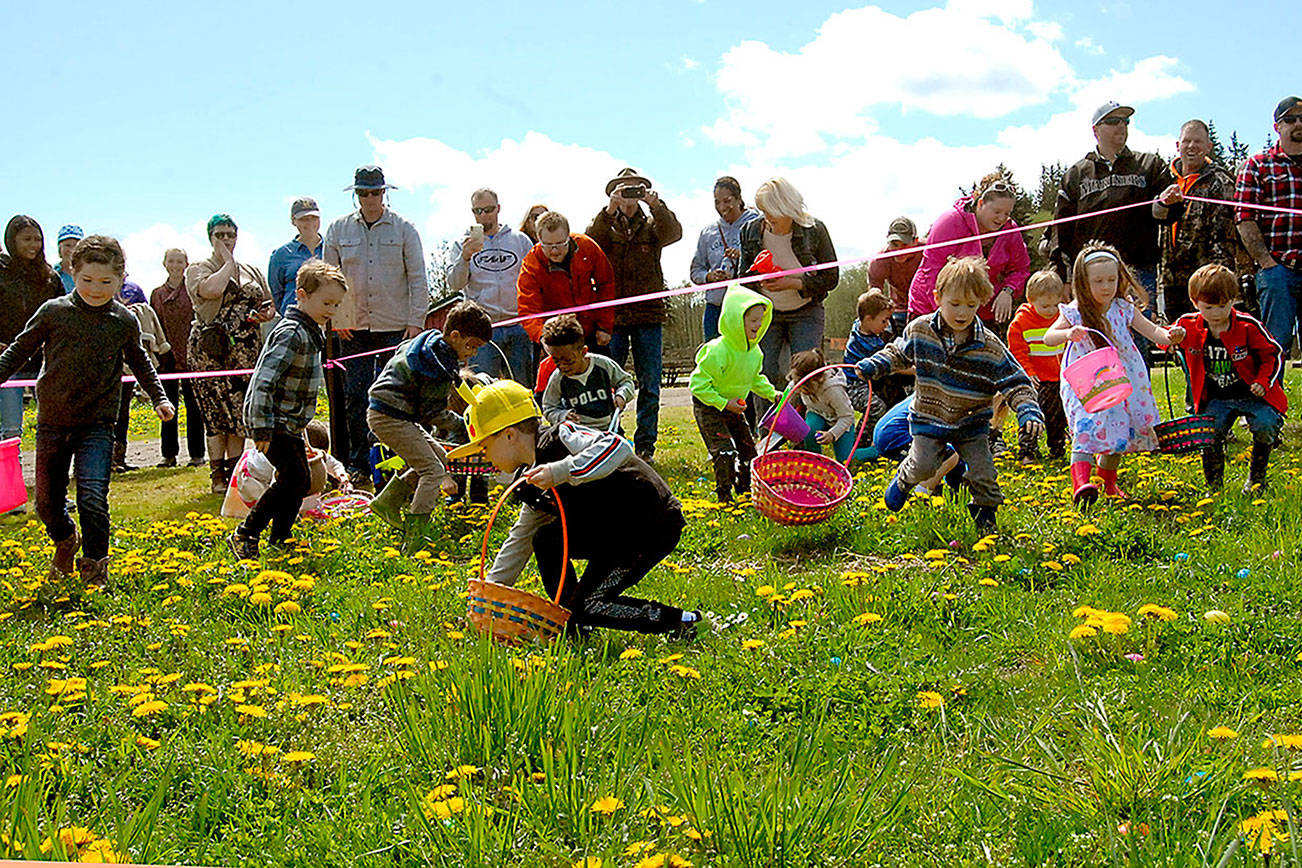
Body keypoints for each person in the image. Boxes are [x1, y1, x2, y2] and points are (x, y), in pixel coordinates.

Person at [450, 379, 699, 638]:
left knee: (591, 604)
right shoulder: (530, 481)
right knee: (545, 539)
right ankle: (574, 619)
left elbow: (617, 446)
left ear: (509, 435)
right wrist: (489, 596)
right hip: (613, 533)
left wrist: (562, 470)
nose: (486, 456)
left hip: (649, 525)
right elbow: (521, 537)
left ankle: (684, 621)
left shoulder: (562, 437)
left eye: (485, 447)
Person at [0, 236, 173, 589]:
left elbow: (140, 361)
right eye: (87, 281)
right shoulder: (54, 312)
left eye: (106, 282)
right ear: (72, 272)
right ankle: (65, 539)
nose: (96, 289)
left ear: (121, 279)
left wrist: (159, 397)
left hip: (98, 424)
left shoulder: (123, 319)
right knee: (47, 504)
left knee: (92, 497)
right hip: (52, 422)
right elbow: (19, 351)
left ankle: (95, 567)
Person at [856, 257, 1044, 532]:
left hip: (971, 424)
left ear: (981, 302)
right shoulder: (920, 330)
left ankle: (985, 517)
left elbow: (1015, 380)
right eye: (955, 304)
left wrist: (1027, 408)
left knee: (985, 475)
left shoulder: (989, 346)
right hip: (929, 419)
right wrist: (875, 365)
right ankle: (904, 480)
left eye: (971, 305)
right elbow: (897, 353)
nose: (962, 312)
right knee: (923, 465)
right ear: (938, 297)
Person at [1041, 244, 1184, 505]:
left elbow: (1153, 332)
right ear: (1083, 283)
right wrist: (1067, 334)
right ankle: (1081, 484)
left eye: (1111, 279)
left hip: (1121, 378)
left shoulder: (1123, 308)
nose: (1106, 286)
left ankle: (1108, 483)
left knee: (1119, 431)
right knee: (1084, 428)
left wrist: (1170, 335)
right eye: (1098, 281)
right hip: (1086, 381)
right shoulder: (1075, 311)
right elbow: (1049, 337)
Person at [228, 260, 347, 560]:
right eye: (326, 303)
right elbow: (263, 381)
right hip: (272, 421)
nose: (331, 311)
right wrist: (262, 428)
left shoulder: (310, 332)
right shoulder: (292, 332)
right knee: (294, 478)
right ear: (302, 295)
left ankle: (280, 537)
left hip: (290, 424)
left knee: (300, 479)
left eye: (336, 304)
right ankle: (246, 533)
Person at [324, 165, 430, 487]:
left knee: (394, 398)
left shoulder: (404, 229)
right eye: (363, 193)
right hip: (352, 328)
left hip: (395, 327)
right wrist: (335, 318)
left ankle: (396, 462)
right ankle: (358, 463)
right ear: (356, 195)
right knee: (355, 396)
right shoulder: (337, 229)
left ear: (385, 193)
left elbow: (418, 278)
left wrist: (415, 323)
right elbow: (328, 277)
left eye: (375, 192)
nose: (369, 198)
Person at [366, 301, 492, 554]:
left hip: (394, 414)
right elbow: (433, 414)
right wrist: (466, 425)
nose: (473, 354)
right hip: (390, 417)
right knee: (433, 471)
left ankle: (388, 501)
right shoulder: (436, 366)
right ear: (455, 336)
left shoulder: (431, 344)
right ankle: (414, 538)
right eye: (472, 346)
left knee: (441, 458)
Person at [586, 168, 682, 462]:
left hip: (648, 315)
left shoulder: (653, 224)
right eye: (623, 189)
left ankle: (645, 447)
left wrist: (658, 206)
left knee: (650, 382)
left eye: (636, 189)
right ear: (613, 193)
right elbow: (589, 244)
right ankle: (612, 440)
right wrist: (608, 210)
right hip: (612, 316)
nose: (630, 195)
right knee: (607, 382)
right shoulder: (605, 223)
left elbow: (674, 234)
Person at [1169, 264, 1286, 492]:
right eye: (1208, 307)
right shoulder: (1188, 324)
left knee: (1265, 424)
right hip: (1215, 397)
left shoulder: (1248, 326)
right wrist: (1171, 339)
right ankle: (1214, 486)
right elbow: (1166, 338)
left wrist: (1263, 381)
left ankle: (1257, 478)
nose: (1216, 314)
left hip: (1251, 394)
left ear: (1233, 300)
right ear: (1195, 303)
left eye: (1222, 306)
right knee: (1209, 435)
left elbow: (1272, 354)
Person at [185, 214, 275, 495]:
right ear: (210, 237)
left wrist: (264, 315)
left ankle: (235, 472)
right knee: (216, 414)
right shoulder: (199, 268)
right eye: (219, 235)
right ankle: (216, 474)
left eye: (230, 235)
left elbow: (268, 303)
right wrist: (227, 263)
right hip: (211, 351)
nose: (226, 240)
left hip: (245, 351)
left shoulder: (252, 269)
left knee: (238, 414)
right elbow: (211, 290)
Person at [737, 177, 838, 417]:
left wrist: (792, 282)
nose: (767, 218)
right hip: (767, 313)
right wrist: (759, 282)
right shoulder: (750, 231)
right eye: (763, 211)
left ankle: (807, 429)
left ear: (787, 209)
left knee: (807, 373)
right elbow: (743, 279)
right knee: (764, 370)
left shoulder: (814, 230)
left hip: (806, 312)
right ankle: (768, 432)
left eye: (771, 211)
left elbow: (831, 277)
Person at [1049, 102, 1171, 293]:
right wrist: (1063, 275)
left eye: (1125, 121)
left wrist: (1166, 202)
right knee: (1091, 324)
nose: (1121, 126)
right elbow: (1061, 230)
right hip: (1090, 272)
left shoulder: (1149, 165)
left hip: (1137, 271)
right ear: (1096, 130)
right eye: (1113, 121)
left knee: (1138, 323)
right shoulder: (1076, 173)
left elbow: (1169, 216)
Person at [908, 172, 1030, 339]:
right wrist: (946, 312)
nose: (1002, 218)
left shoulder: (1010, 230)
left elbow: (1021, 268)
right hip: (931, 307)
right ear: (980, 204)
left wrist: (1008, 291)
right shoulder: (950, 221)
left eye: (1007, 213)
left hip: (979, 312)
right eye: (997, 211)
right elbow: (932, 270)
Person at [688, 285, 779, 502]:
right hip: (709, 406)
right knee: (725, 451)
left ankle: (745, 491)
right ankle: (724, 496)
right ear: (736, 319)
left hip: (734, 407)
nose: (758, 325)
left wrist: (772, 394)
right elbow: (697, 385)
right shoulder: (718, 351)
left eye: (761, 320)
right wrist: (723, 403)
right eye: (753, 320)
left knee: (748, 450)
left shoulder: (755, 352)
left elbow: (755, 378)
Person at [1152, 120, 1241, 322]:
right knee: (1178, 335)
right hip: (1171, 279)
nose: (1191, 146)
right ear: (1178, 146)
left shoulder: (1221, 181)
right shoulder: (1165, 180)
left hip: (1206, 278)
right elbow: (1156, 218)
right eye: (1186, 141)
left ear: (1208, 147)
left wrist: (1220, 279)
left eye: (1198, 142)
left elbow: (1225, 237)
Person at [1235, 96, 1302, 355]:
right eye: (1290, 119)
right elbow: (1244, 218)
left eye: (1301, 119)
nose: (1298, 124)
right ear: (1277, 126)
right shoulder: (1257, 165)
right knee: (1274, 346)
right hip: (1277, 271)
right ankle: (1270, 395)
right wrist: (1266, 262)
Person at [448, 188, 535, 386]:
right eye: (478, 211)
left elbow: (535, 281)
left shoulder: (519, 240)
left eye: (488, 210)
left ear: (498, 209)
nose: (483, 216)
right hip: (482, 329)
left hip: (518, 325)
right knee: (483, 389)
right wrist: (465, 257)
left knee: (523, 388)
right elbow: (454, 284)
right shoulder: (461, 244)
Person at [0, 216, 62, 444]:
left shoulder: (49, 277)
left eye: (37, 239)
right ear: (11, 240)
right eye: (26, 239)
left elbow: (63, 315)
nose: (33, 245)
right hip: (8, 363)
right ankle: (10, 479)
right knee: (10, 430)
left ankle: (53, 476)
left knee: (54, 423)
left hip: (44, 363)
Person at [516, 211, 615, 348]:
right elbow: (528, 309)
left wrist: (605, 326)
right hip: (555, 337)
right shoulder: (532, 265)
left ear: (568, 236)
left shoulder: (586, 247)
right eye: (548, 245)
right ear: (539, 240)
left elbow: (606, 284)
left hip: (591, 331)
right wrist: (543, 337)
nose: (555, 251)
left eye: (560, 244)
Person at [150, 248, 205, 467]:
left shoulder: (192, 290)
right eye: (171, 261)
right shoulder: (157, 294)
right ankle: (169, 454)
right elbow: (153, 325)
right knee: (167, 406)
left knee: (194, 407)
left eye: (179, 261)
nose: (175, 265)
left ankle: (197, 454)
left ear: (186, 264)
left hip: (191, 356)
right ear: (165, 263)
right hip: (166, 358)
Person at [1006, 270, 1068, 463]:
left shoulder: (1063, 318)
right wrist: (1028, 373)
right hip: (1036, 380)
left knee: (1057, 416)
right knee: (1032, 414)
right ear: (1031, 300)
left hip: (1059, 378)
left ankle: (1057, 448)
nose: (1050, 310)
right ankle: (1027, 449)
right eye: (1044, 305)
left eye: (1055, 305)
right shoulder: (1021, 322)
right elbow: (1017, 352)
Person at [690, 176, 761, 340]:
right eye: (717, 202)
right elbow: (695, 270)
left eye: (727, 201)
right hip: (715, 307)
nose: (722, 207)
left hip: (747, 306)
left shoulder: (757, 222)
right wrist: (709, 276)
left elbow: (768, 259)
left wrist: (743, 256)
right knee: (714, 358)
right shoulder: (708, 232)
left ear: (738, 199)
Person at [539, 314, 634, 430]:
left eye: (569, 360)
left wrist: (621, 395)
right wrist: (562, 416)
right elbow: (549, 407)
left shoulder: (603, 365)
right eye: (556, 361)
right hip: (578, 435)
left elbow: (626, 381)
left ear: (583, 351)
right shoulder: (558, 378)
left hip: (610, 430)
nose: (563, 366)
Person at [112, 295, 171, 473]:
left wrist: (158, 398)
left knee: (122, 413)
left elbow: (141, 361)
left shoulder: (132, 292)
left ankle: (118, 457)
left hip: (126, 369)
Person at [787, 349, 873, 464]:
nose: (799, 388)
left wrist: (832, 434)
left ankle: (875, 450)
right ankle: (815, 462)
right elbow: (788, 395)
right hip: (818, 413)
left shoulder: (833, 390)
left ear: (815, 379)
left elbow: (847, 416)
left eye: (803, 385)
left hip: (840, 419)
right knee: (808, 431)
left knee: (845, 459)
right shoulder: (799, 382)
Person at [841, 289, 893, 422]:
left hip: (861, 382)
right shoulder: (870, 345)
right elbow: (892, 364)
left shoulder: (858, 326)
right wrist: (914, 370)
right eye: (884, 321)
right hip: (853, 386)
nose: (887, 325)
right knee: (877, 408)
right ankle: (862, 438)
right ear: (869, 319)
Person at [268, 197, 325, 316]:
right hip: (295, 322)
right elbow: (277, 294)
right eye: (304, 219)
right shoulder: (280, 255)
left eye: (314, 218)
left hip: (329, 321)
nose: (310, 223)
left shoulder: (333, 248)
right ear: (293, 221)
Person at [868, 217, 924, 337]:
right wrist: (875, 296)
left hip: (926, 308)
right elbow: (874, 290)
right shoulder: (880, 260)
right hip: (898, 310)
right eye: (894, 244)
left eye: (904, 245)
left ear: (915, 241)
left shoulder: (928, 251)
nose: (899, 250)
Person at [54, 225, 84, 294]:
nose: (71, 250)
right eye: (67, 245)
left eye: (76, 246)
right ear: (60, 248)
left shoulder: (89, 273)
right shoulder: (52, 273)